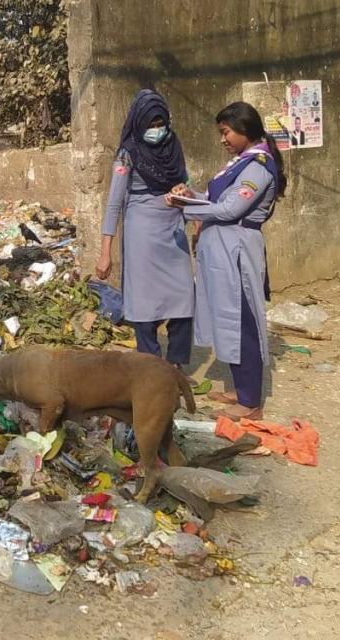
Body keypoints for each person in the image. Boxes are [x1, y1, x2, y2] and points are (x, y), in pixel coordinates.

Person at [165, 101, 287, 420]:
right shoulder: (238, 163)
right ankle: (239, 389)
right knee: (227, 316)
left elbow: (231, 209)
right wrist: (189, 195)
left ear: (244, 129)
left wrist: (184, 207)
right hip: (221, 248)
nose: (222, 139)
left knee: (242, 318)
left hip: (237, 249)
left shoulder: (258, 166)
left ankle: (250, 403)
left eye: (226, 132)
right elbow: (215, 200)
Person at [96, 89, 194, 368]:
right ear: (138, 124)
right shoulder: (128, 154)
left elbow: (186, 184)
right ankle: (151, 368)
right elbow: (114, 204)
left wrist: (186, 196)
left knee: (184, 299)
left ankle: (175, 366)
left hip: (173, 230)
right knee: (144, 304)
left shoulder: (173, 146)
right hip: (142, 233)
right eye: (150, 125)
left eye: (160, 123)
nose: (156, 130)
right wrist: (106, 253)